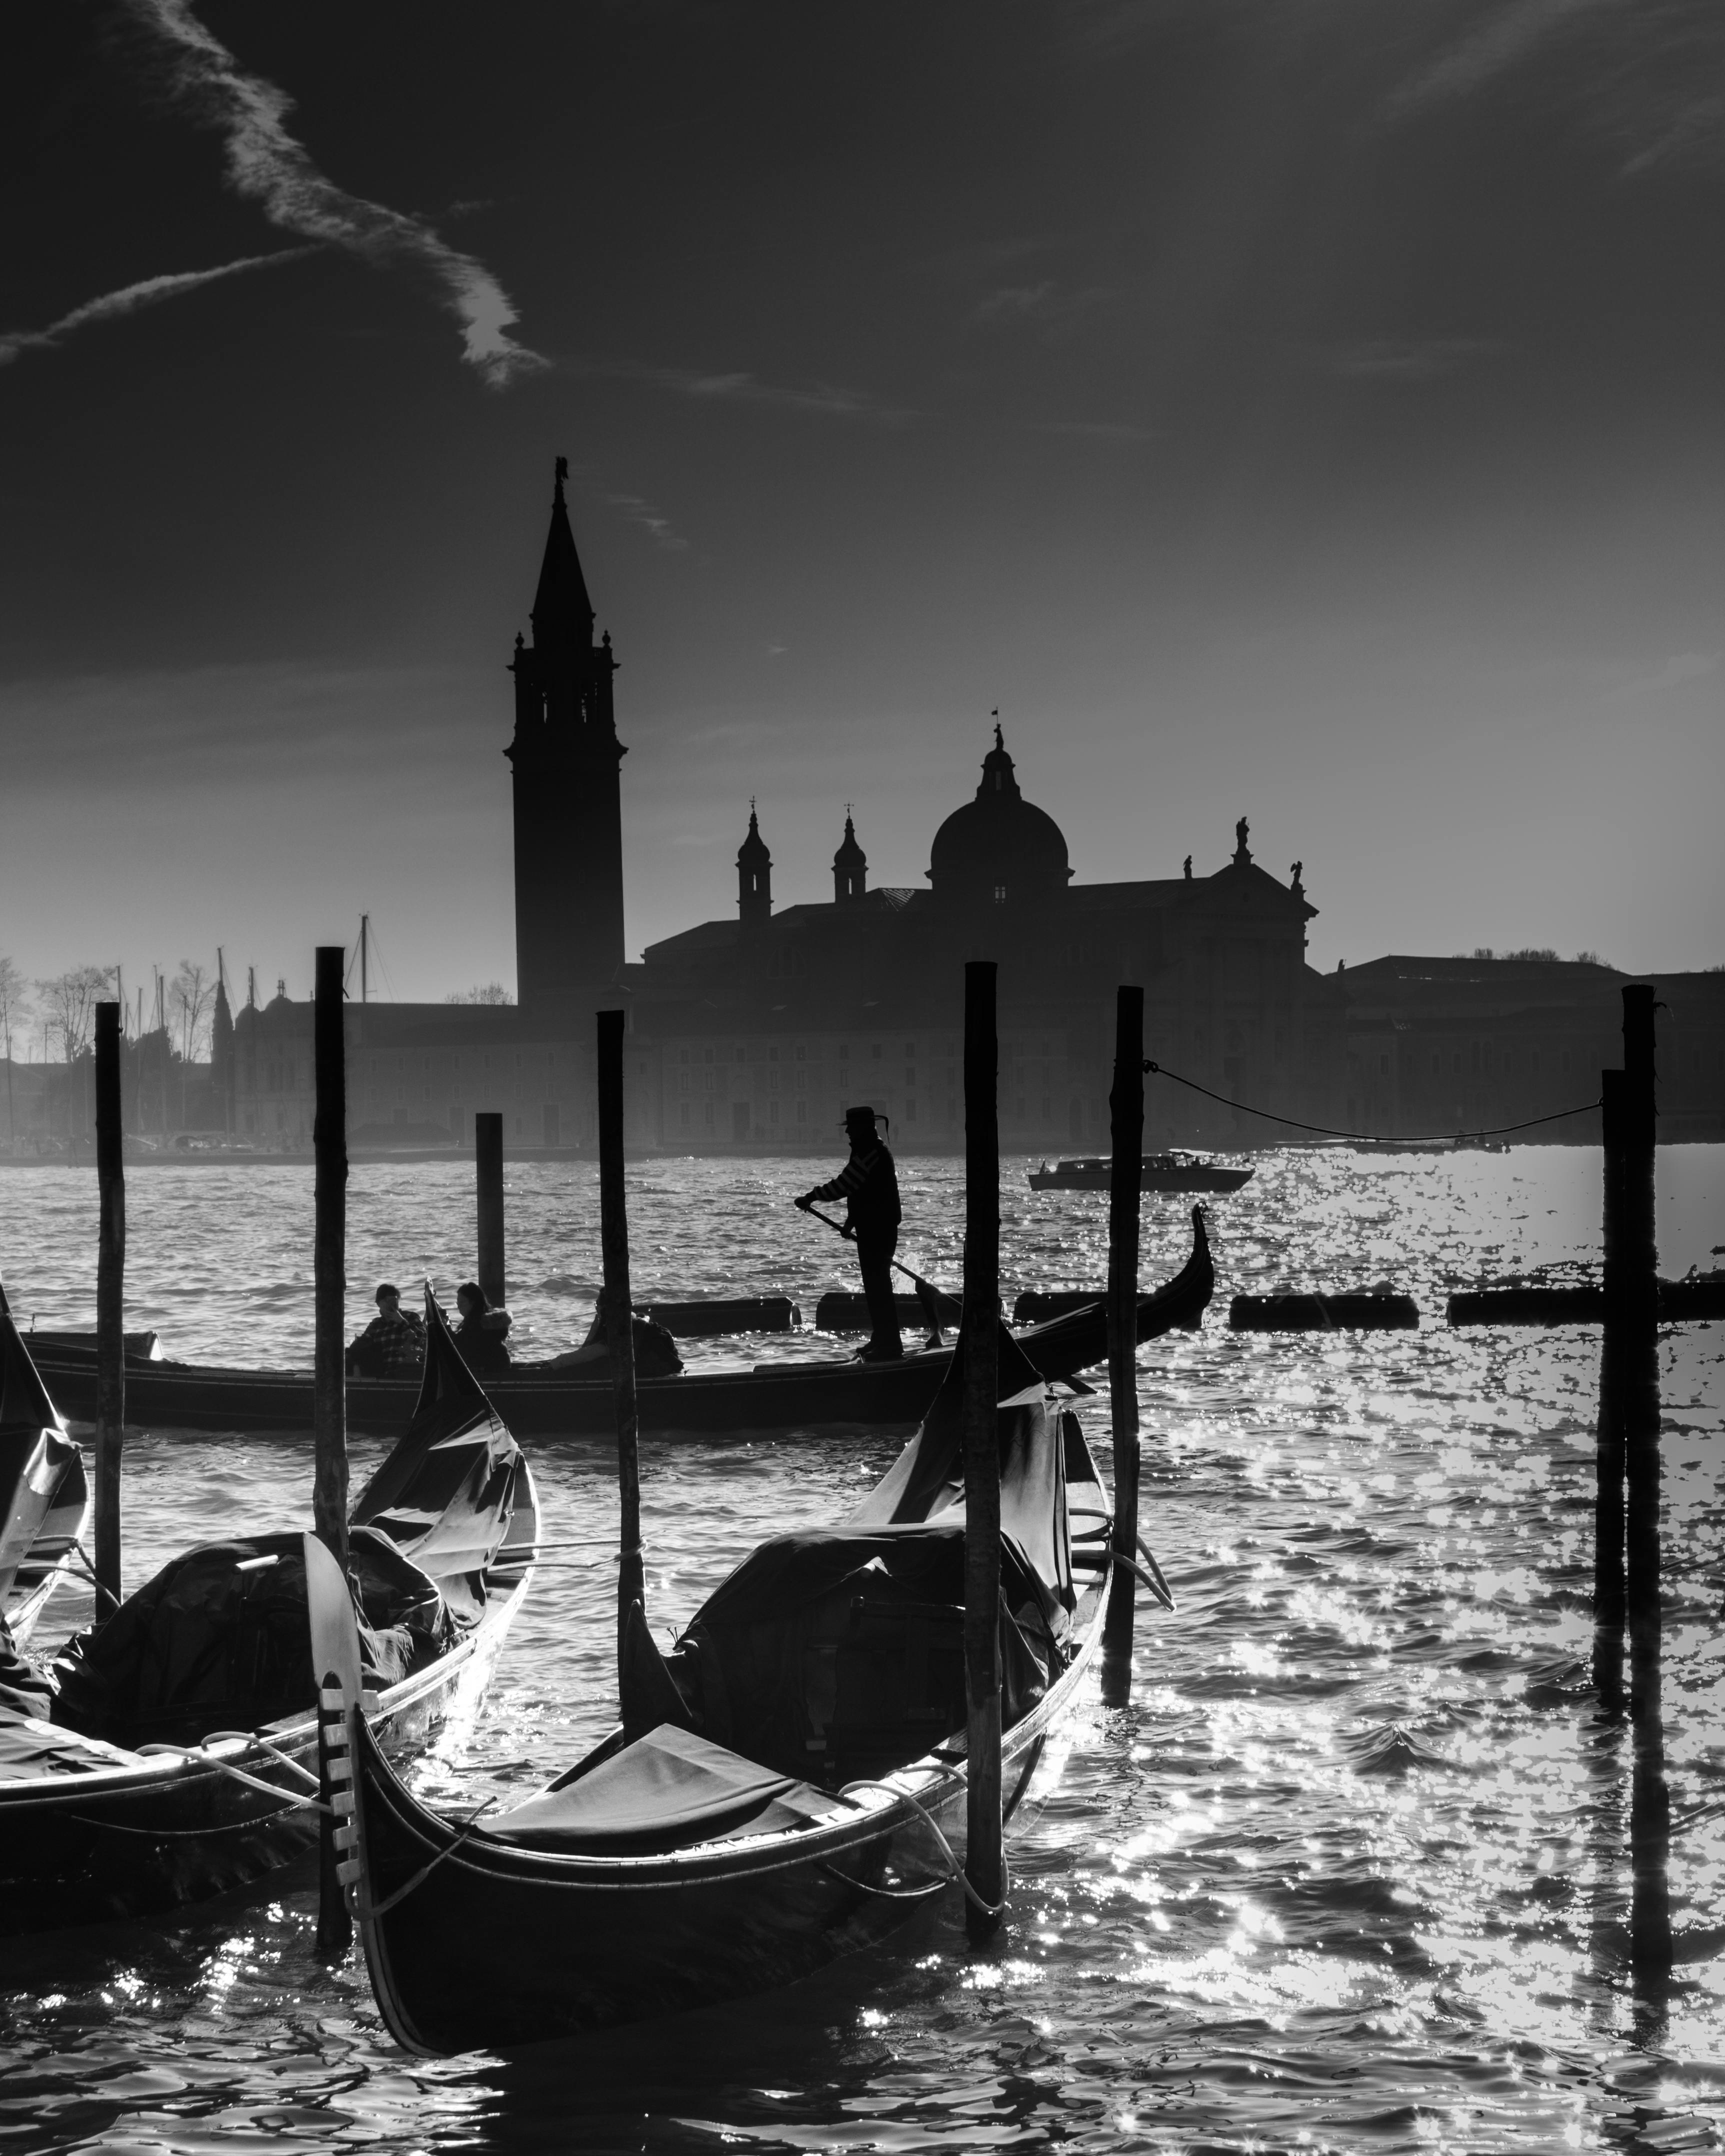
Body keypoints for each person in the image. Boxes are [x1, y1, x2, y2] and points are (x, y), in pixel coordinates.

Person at [796, 1104, 904, 1360]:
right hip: (872, 1228)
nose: (848, 1134)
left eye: (851, 1129)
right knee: (875, 1286)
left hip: (879, 1230)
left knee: (879, 1287)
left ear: (863, 1128)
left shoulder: (871, 1153)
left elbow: (844, 1185)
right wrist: (850, 1223)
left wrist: (811, 1197)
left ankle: (890, 1343)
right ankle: (882, 1338)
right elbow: (860, 1192)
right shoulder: (867, 1151)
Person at [346, 1283, 426, 1379]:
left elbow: (425, 1339)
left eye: (394, 1300)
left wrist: (403, 1322)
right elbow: (359, 1346)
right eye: (387, 1301)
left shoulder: (411, 1317)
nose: (391, 1305)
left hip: (408, 1371)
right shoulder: (376, 1324)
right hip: (384, 1375)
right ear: (379, 1304)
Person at [454, 1280, 512, 1376]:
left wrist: (445, 1328)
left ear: (473, 1303)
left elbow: (459, 1345)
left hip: (492, 1371)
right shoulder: (476, 1321)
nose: (459, 1307)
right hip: (500, 1366)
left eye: (462, 1302)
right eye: (458, 1303)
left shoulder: (479, 1324)